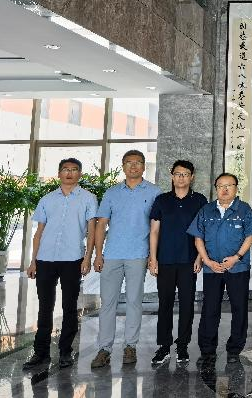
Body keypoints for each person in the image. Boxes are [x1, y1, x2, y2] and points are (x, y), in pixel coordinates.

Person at [22, 158, 97, 370]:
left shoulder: (88, 198)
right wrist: (33, 261)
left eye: (74, 170)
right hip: (45, 259)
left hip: (72, 259)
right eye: (65, 169)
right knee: (44, 307)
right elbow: (39, 233)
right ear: (59, 173)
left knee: (69, 307)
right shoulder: (47, 199)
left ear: (80, 174)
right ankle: (41, 353)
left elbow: (92, 231)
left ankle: (65, 351)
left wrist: (87, 257)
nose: (69, 173)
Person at [91, 150, 161, 369]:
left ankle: (130, 346)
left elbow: (157, 228)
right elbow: (101, 224)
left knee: (134, 302)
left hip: (138, 255)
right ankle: (104, 348)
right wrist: (98, 254)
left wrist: (153, 256)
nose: (133, 166)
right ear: (123, 166)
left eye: (138, 163)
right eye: (129, 163)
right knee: (108, 303)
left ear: (144, 167)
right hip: (112, 255)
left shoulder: (154, 192)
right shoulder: (112, 192)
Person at [188, 173, 252, 365]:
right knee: (210, 308)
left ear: (236, 188)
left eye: (229, 185)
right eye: (221, 186)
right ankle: (207, 350)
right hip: (212, 268)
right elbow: (198, 238)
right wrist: (207, 261)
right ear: (216, 188)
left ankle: (235, 349)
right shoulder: (206, 210)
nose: (225, 189)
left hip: (238, 267)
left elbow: (250, 236)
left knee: (239, 308)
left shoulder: (244, 209)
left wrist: (236, 258)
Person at [147, 160, 208, 366]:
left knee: (187, 305)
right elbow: (154, 231)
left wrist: (199, 257)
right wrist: (153, 258)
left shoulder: (199, 200)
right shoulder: (162, 200)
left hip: (188, 261)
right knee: (164, 304)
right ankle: (164, 346)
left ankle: (182, 346)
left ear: (192, 177)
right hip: (164, 260)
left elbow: (203, 231)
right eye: (178, 174)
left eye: (185, 174)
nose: (181, 177)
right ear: (172, 176)